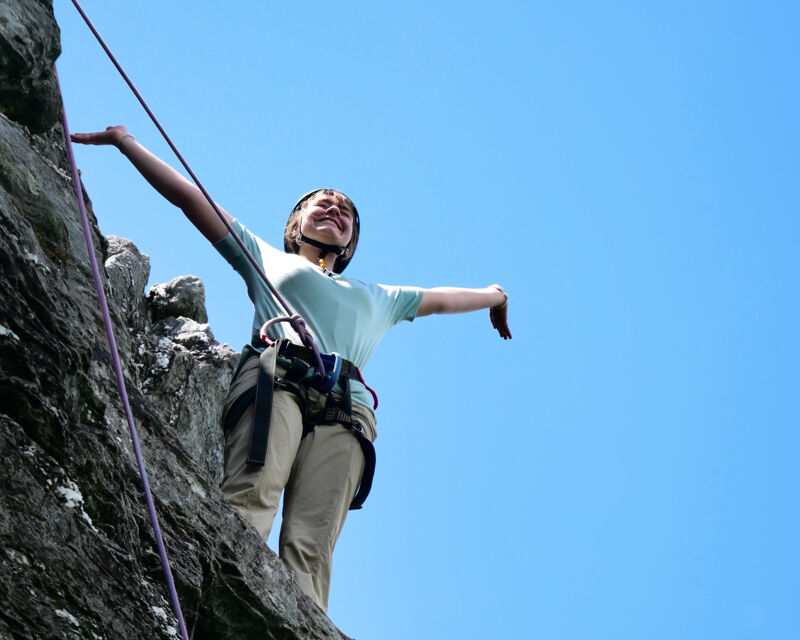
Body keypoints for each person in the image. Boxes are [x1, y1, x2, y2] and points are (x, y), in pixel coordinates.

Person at [70, 125, 512, 611]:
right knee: (252, 492)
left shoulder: (381, 297)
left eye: (345, 212)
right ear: (294, 223)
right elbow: (190, 198)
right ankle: (208, 602)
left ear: (348, 245)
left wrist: (496, 295)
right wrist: (125, 141)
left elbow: (446, 300)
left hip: (347, 409)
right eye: (320, 203)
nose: (334, 210)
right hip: (278, 376)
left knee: (312, 543)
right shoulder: (264, 257)